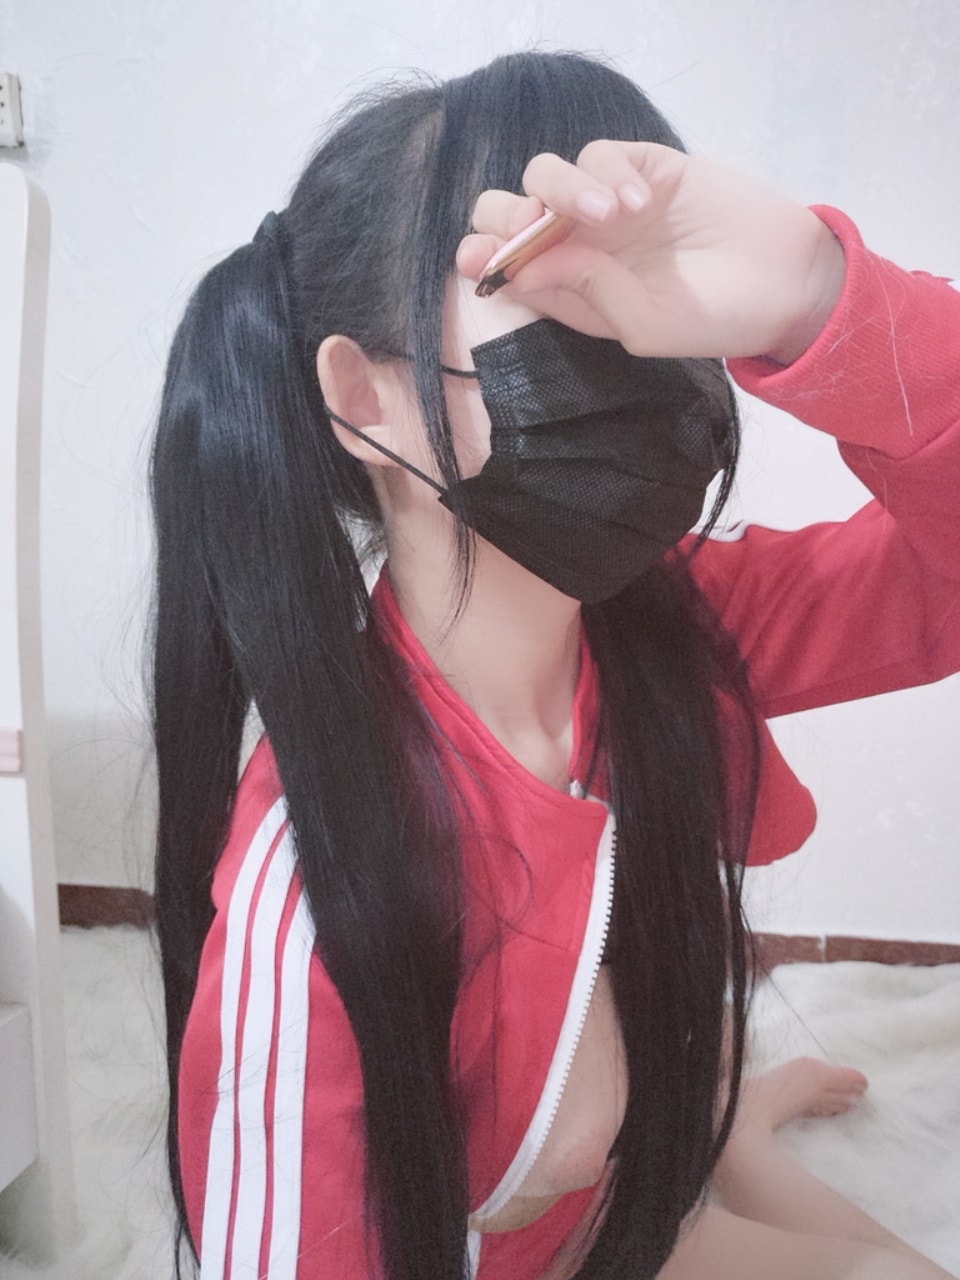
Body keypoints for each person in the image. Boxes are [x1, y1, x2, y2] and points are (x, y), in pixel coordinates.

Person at [149, 50, 960, 1280]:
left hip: (616, 1206)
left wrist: (817, 298)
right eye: (551, 291)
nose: (629, 342)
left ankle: (716, 1133)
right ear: (365, 395)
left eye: (641, 292)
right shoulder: (326, 884)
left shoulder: (673, 630)